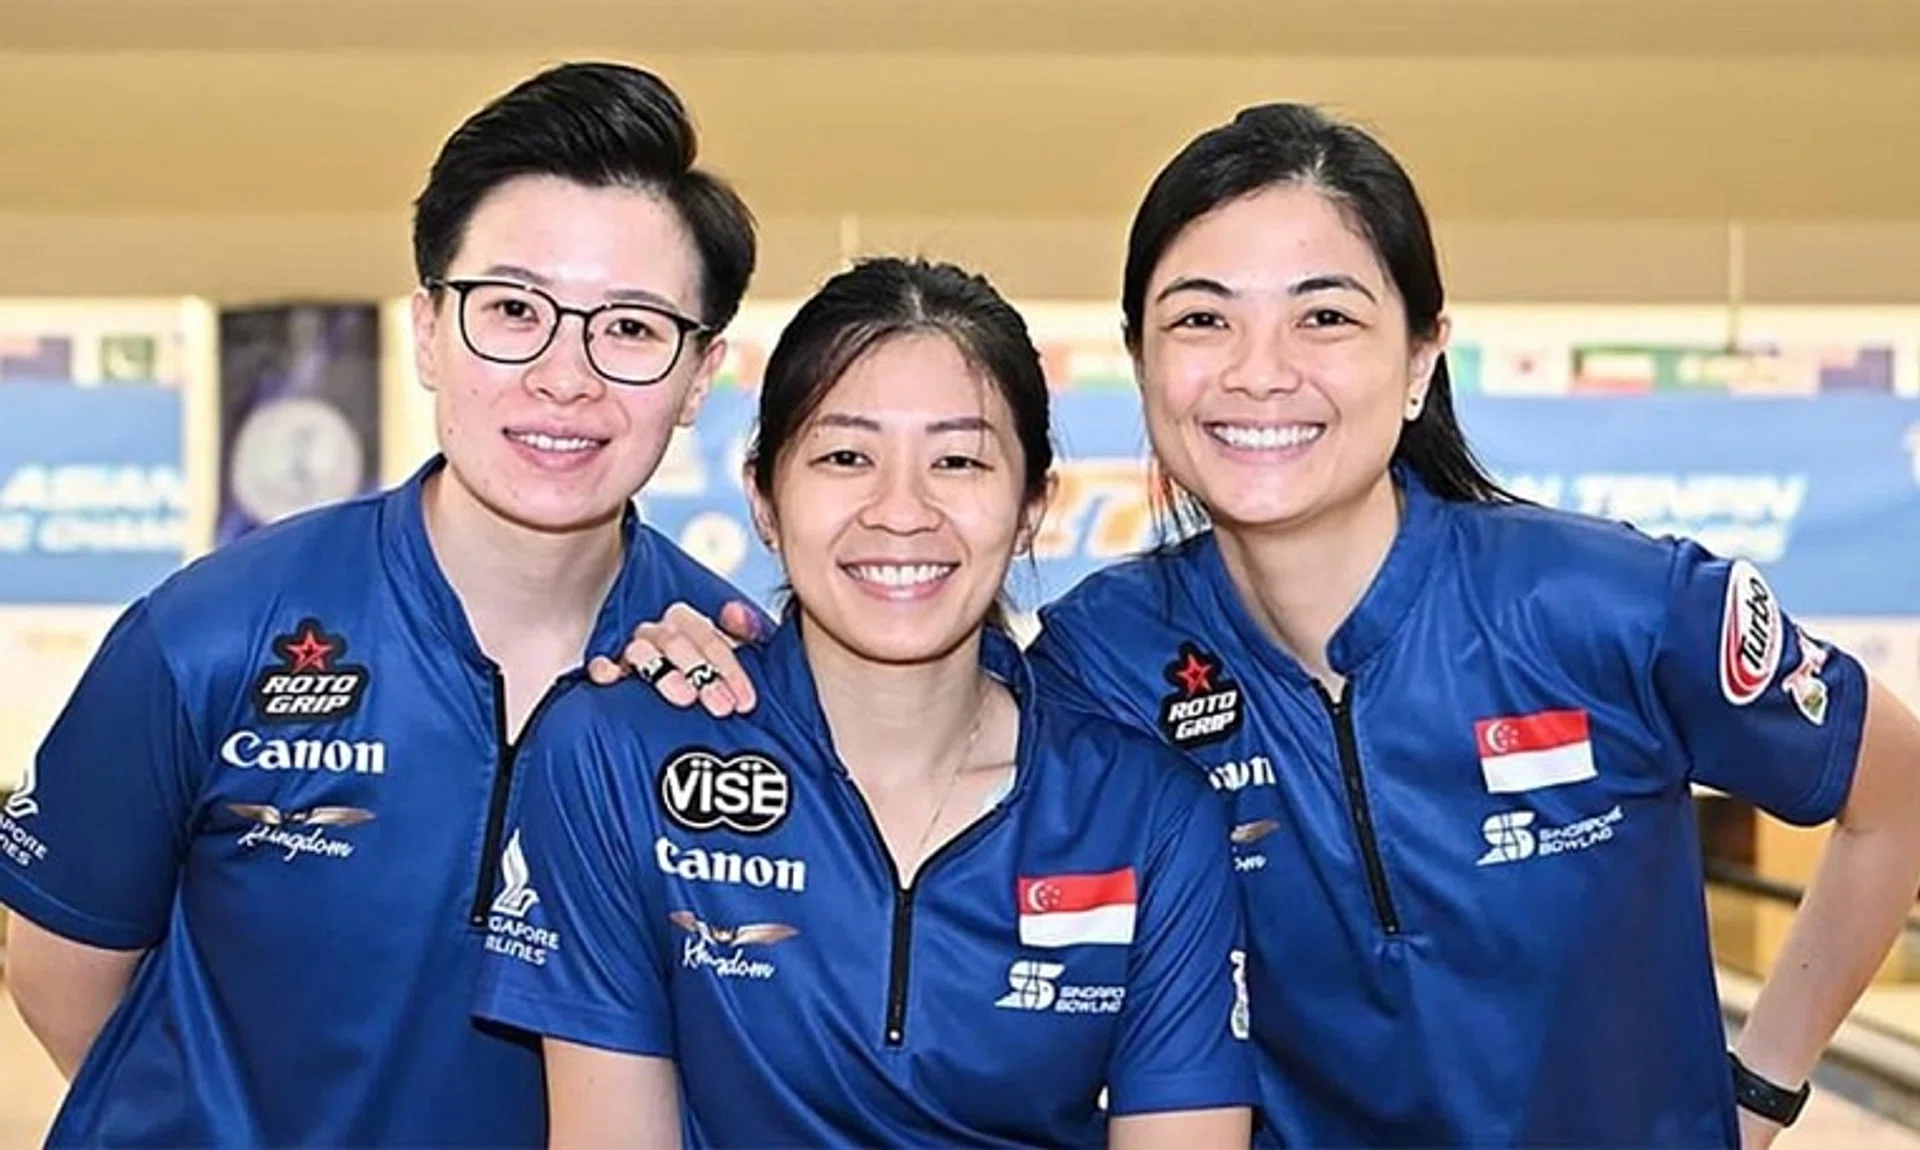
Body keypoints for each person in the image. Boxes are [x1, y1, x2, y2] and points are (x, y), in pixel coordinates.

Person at [607, 104, 1920, 1149]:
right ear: (1143, 362)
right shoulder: (1106, 656)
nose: (1259, 370)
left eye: (1325, 316)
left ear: (1419, 359)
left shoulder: (1610, 605)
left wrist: (1764, 1081)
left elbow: (1894, 800)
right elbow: (887, 694)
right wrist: (696, 638)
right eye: (1202, 320)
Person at [0, 61, 759, 1147]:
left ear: (699, 376)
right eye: (512, 310)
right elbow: (61, 973)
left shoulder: (733, 684)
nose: (565, 375)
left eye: (631, 328)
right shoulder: (214, 634)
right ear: (427, 332)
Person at [474, 256, 1258, 1149]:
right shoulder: (616, 753)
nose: (901, 511)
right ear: (765, 497)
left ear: (1033, 504)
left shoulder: (1149, 815)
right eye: (846, 456)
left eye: (958, 460)